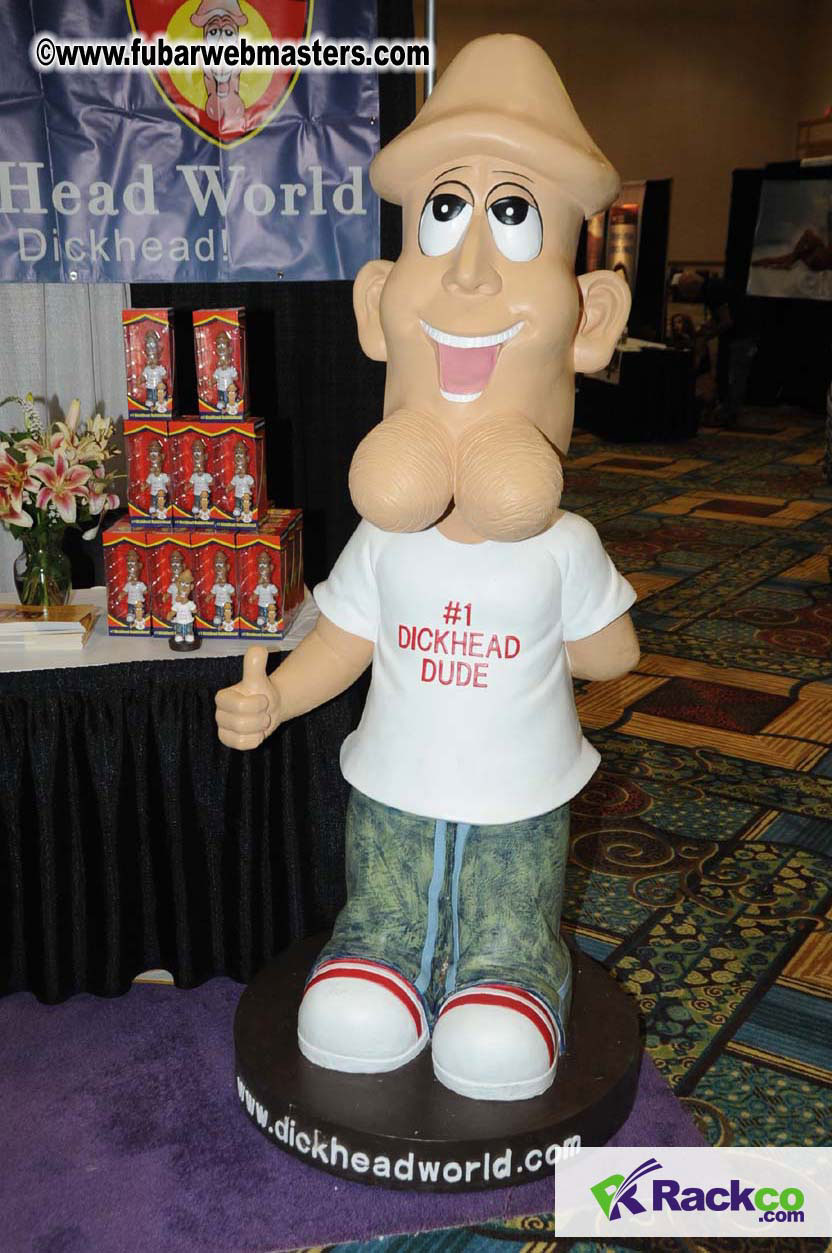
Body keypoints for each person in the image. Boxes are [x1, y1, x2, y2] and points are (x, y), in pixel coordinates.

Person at [215, 35, 638, 1102]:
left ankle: (508, 968)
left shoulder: (562, 546)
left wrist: (580, 625)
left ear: (591, 317)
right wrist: (276, 697)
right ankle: (385, 951)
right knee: (385, 898)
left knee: (506, 904)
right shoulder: (386, 540)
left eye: (511, 216)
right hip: (391, 791)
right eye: (442, 215)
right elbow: (343, 642)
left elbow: (608, 656)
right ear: (375, 306)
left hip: (520, 797)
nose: (467, 271)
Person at [673, 269, 756, 427]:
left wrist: (706, 337)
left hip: (743, 336)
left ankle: (729, 415)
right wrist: (706, 328)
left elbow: (727, 321)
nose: (688, 297)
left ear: (693, 287)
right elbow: (720, 315)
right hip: (742, 334)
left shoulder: (712, 291)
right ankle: (726, 412)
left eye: (687, 292)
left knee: (736, 376)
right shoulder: (713, 287)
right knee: (733, 375)